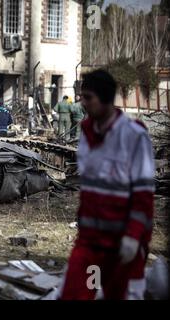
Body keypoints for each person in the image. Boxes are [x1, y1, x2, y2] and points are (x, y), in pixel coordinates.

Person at [59, 70, 155, 300]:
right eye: (81, 96)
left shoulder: (133, 136)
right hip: (91, 245)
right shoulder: (86, 134)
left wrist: (133, 237)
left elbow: (143, 195)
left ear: (105, 99)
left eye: (88, 97)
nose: (83, 102)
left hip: (123, 246)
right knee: (76, 294)